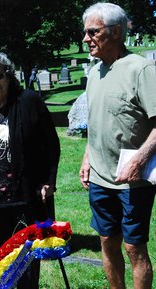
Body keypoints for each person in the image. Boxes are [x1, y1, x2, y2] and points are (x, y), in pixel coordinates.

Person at [0, 50, 60, 289]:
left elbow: (51, 145)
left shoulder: (28, 101)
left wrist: (48, 181)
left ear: (8, 76)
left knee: (25, 260)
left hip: (26, 195)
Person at [79, 3, 156, 289]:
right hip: (101, 177)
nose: (86, 38)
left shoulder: (141, 69)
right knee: (107, 240)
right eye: (85, 32)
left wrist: (138, 160)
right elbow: (95, 120)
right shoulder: (95, 72)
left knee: (134, 248)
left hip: (133, 181)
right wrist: (87, 157)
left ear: (116, 32)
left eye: (93, 32)